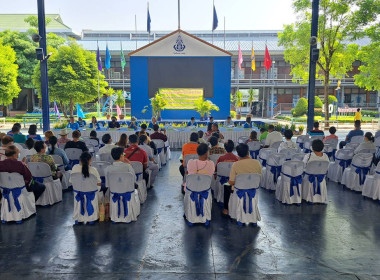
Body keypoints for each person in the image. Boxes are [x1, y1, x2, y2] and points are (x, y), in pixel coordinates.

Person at [223, 143, 262, 215]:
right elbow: (260, 177)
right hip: (253, 187)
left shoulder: (236, 164)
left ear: (238, 154)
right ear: (248, 152)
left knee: (226, 185)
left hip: (239, 189)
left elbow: (231, 182)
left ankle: (226, 209)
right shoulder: (257, 163)